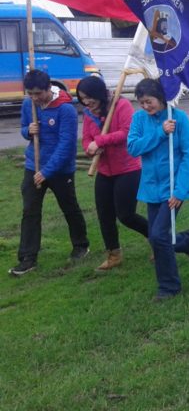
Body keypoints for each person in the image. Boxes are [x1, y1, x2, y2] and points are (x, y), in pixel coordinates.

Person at [9, 70, 89, 276]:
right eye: (30, 94)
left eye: (38, 94)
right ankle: (28, 258)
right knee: (30, 211)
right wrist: (29, 131)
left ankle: (81, 245)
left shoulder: (65, 109)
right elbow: (23, 128)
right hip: (33, 165)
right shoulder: (29, 105)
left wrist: (47, 171)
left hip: (60, 169)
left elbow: (66, 145)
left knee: (69, 207)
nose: (34, 98)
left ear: (48, 88)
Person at [127, 78, 189, 301]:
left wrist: (180, 190)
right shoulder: (139, 119)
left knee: (158, 237)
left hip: (173, 190)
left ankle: (169, 287)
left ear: (160, 98)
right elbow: (133, 147)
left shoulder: (178, 118)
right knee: (157, 237)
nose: (146, 107)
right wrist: (159, 132)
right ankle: (186, 241)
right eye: (142, 103)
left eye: (149, 101)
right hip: (151, 189)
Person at [77, 76, 148, 271]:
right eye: (82, 98)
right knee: (104, 214)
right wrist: (90, 149)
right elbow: (86, 139)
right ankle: (113, 254)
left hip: (128, 168)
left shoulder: (121, 105)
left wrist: (100, 141)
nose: (86, 102)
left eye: (88, 97)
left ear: (98, 93)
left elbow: (127, 132)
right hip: (104, 170)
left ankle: (158, 239)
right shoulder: (89, 113)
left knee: (126, 215)